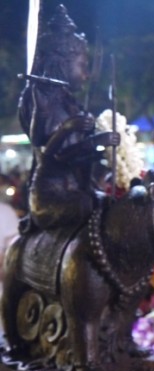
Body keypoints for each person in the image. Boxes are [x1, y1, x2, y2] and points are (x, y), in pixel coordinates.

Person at [18, 5, 119, 231]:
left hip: (78, 187)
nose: (86, 74)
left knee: (112, 205)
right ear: (62, 64)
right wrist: (89, 139)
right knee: (87, 206)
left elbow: (79, 154)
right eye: (82, 66)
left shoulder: (70, 104)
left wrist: (102, 147)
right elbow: (50, 155)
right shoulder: (41, 99)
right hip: (51, 193)